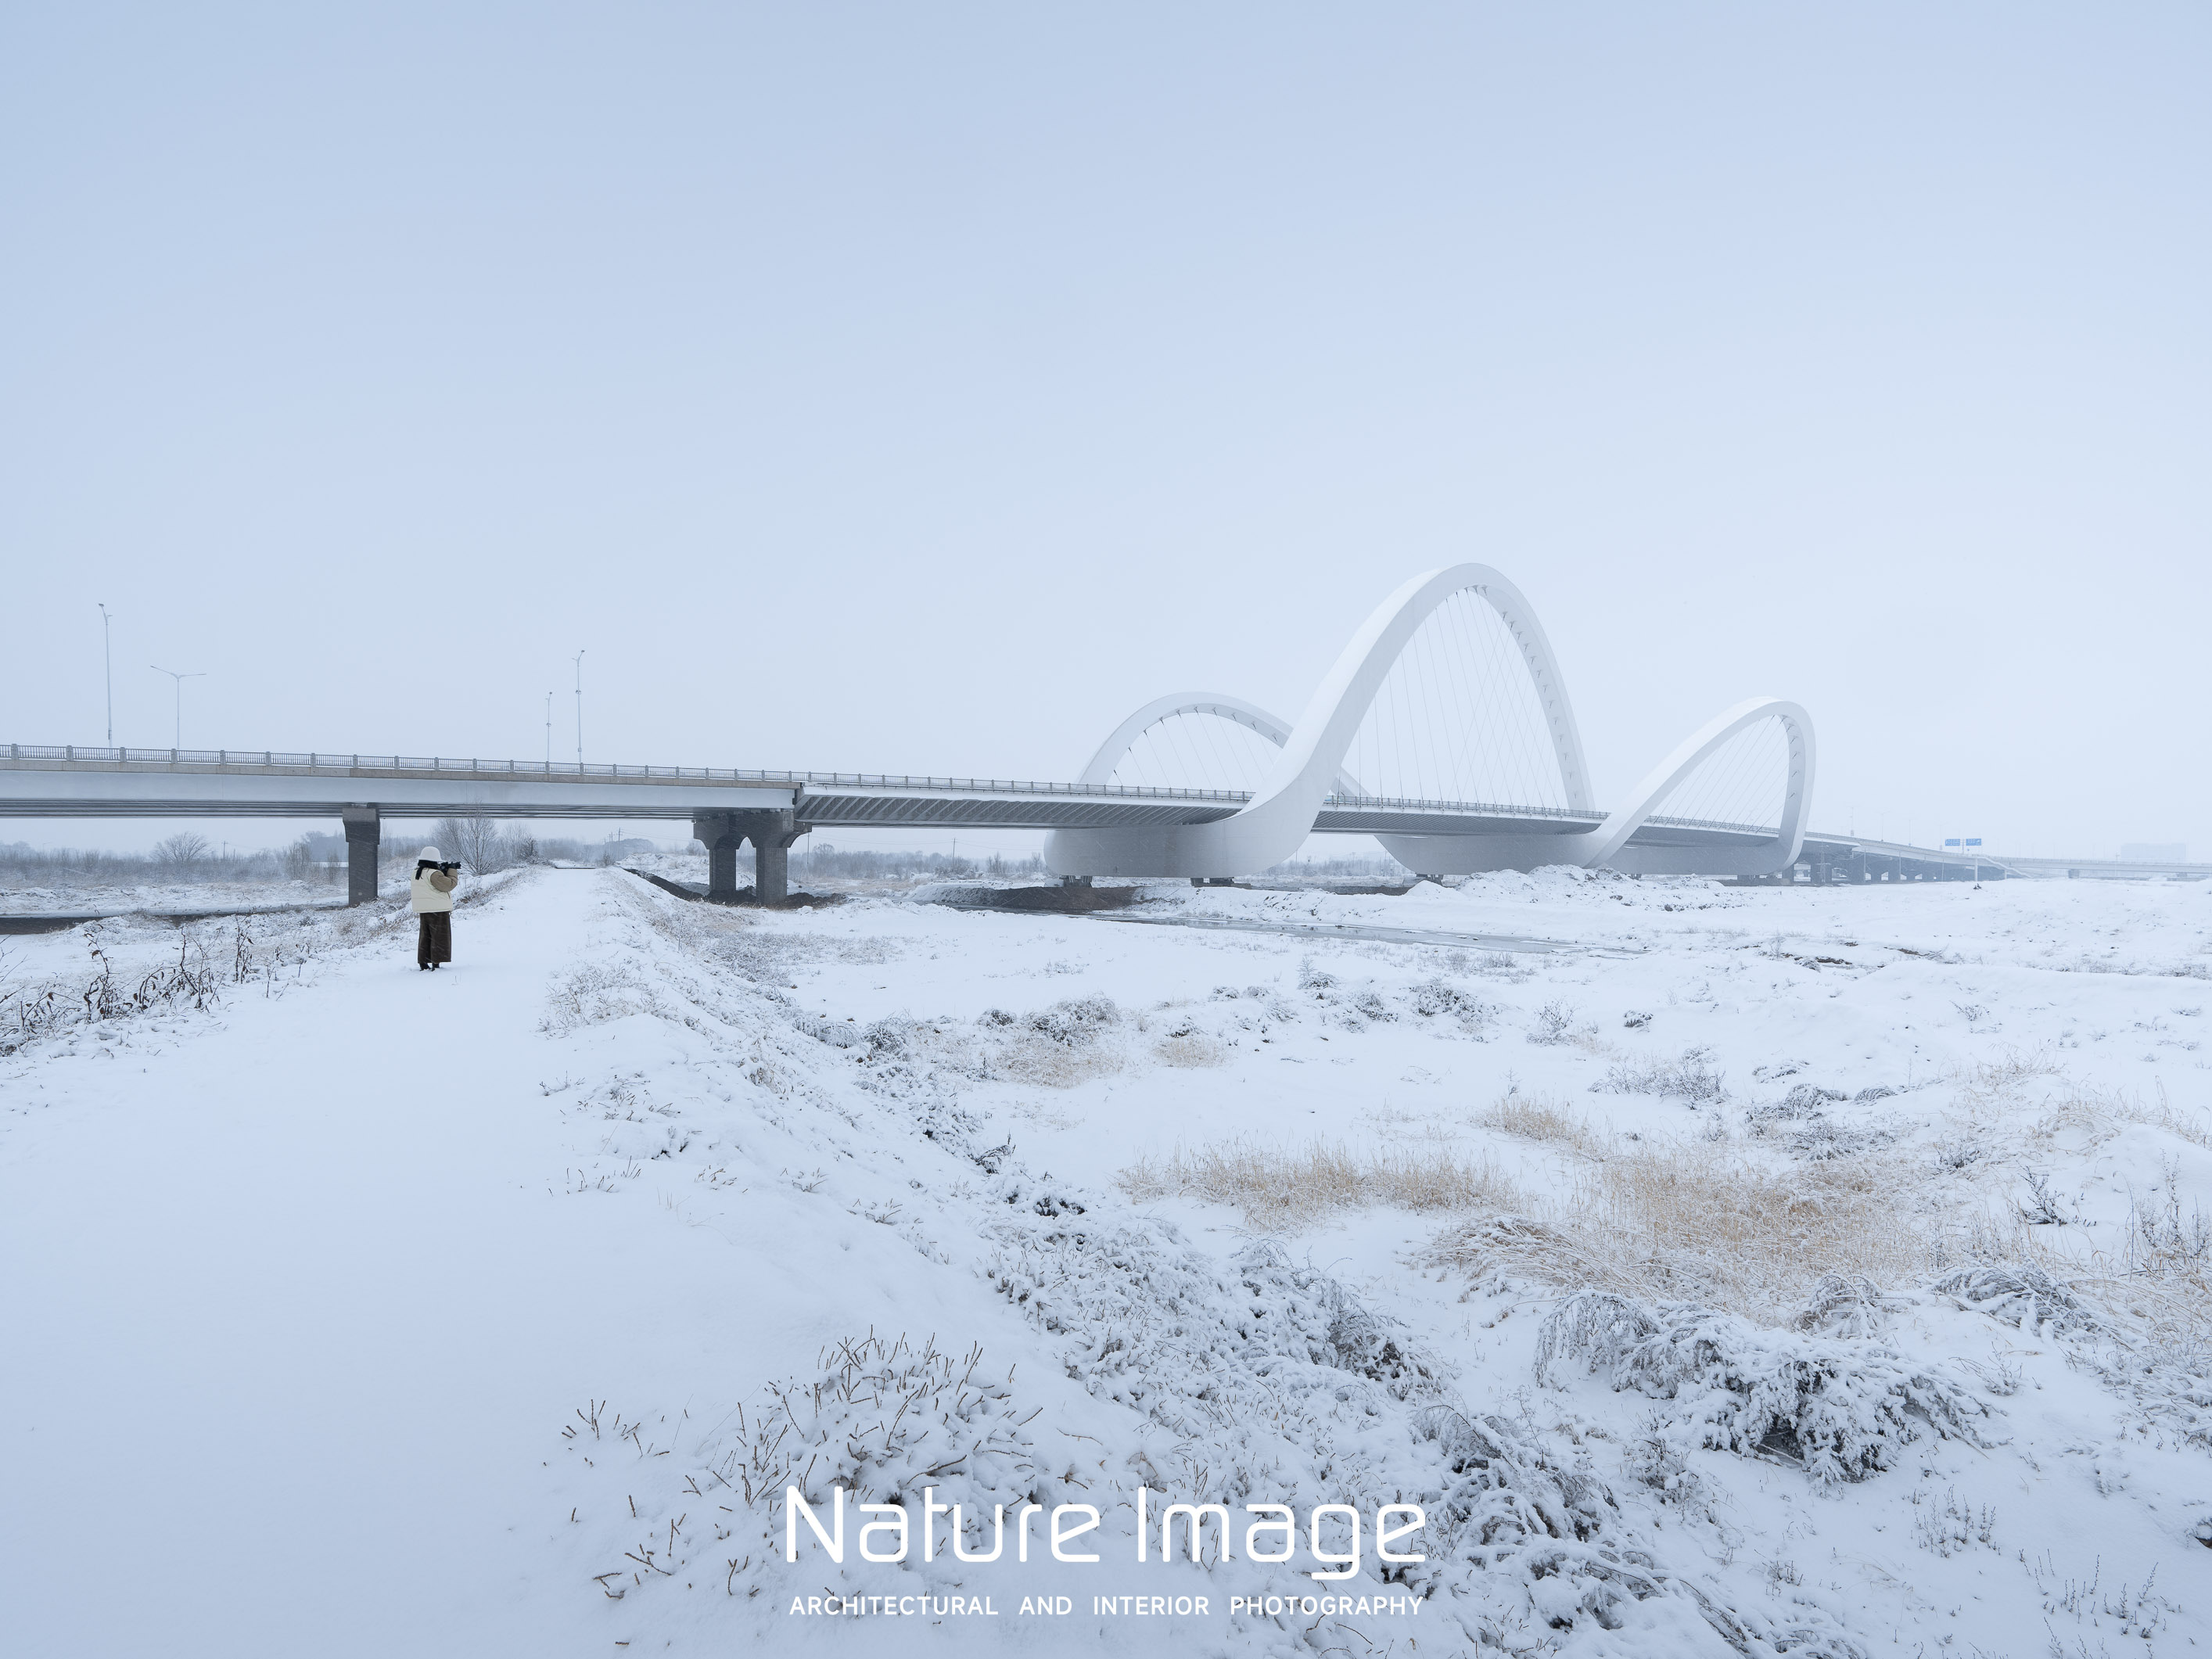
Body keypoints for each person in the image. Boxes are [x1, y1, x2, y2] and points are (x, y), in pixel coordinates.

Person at [411, 844, 459, 970]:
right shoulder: (434, 874)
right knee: (439, 937)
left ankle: (423, 961)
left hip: (424, 910)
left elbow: (430, 886)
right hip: (438, 910)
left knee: (425, 936)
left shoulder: (417, 872)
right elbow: (450, 885)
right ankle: (436, 962)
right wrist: (452, 870)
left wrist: (442, 872)